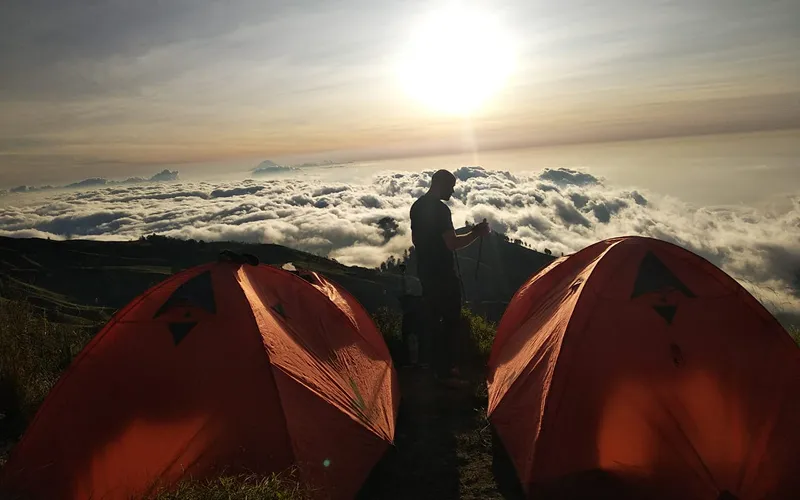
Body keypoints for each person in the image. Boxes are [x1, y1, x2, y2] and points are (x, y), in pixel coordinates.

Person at [410, 169, 490, 386]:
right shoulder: (440, 210)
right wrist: (476, 233)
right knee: (451, 320)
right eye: (451, 186)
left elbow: (416, 239)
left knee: (434, 318)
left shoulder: (417, 206)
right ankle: (445, 371)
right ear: (441, 185)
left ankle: (434, 367)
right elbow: (452, 244)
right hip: (442, 272)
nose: (453, 191)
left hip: (425, 270)